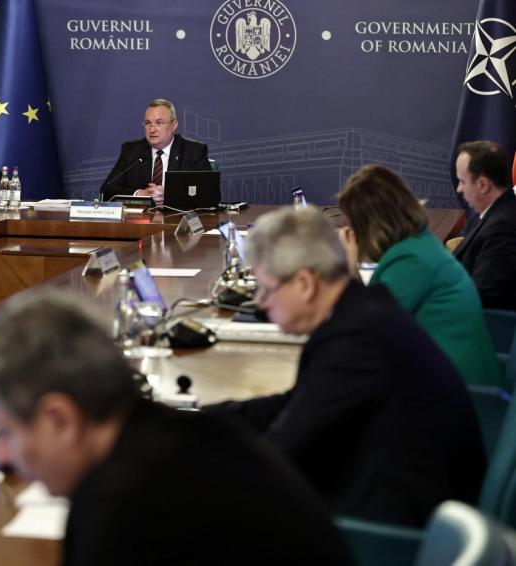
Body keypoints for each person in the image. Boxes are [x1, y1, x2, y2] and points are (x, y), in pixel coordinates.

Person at [0, 293, 352, 565]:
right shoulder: (182, 433)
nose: (1, 456)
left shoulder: (123, 512)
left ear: (60, 419)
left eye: (6, 432)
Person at [204, 207, 486, 527]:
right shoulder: (362, 310)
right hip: (402, 490)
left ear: (305, 283)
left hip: (397, 531)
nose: (262, 303)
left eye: (267, 289)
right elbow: (297, 402)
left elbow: (285, 447)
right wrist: (209, 419)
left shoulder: (355, 341)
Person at [337, 164, 503, 388]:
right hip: (454, 381)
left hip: (463, 393)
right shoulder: (418, 245)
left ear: (367, 224)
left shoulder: (409, 261)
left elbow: (364, 333)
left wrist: (349, 264)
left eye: (351, 223)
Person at [100, 99, 212, 204]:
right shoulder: (132, 151)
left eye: (159, 123)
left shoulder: (194, 151)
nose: (152, 129)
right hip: (141, 217)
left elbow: (210, 194)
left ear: (174, 125)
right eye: (148, 123)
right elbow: (107, 189)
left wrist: (170, 195)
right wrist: (139, 194)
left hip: (177, 216)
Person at [453, 140, 516, 310]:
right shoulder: (495, 214)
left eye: (462, 181)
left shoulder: (503, 226)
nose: (459, 189)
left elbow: (483, 295)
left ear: (482, 185)